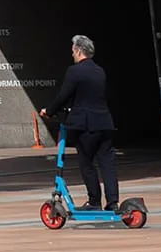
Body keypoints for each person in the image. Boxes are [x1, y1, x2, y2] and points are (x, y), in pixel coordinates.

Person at [38, 34, 119, 212]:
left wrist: (49, 111)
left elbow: (64, 95)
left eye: (73, 51)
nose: (72, 55)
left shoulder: (74, 71)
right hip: (104, 122)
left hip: (86, 125)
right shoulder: (99, 71)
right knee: (107, 163)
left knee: (87, 162)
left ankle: (94, 201)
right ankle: (113, 202)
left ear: (79, 51)